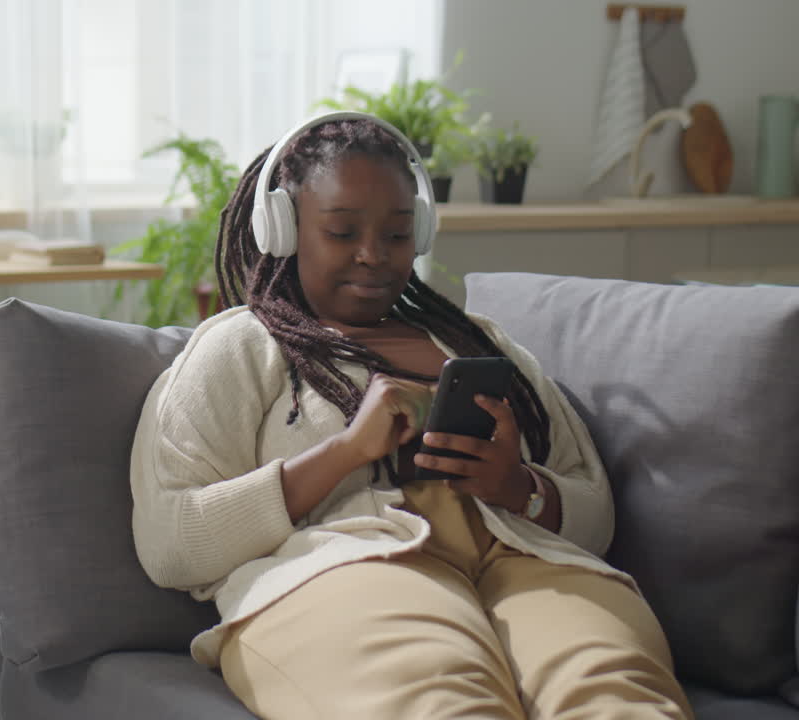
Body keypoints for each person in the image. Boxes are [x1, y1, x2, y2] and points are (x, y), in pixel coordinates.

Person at [128, 111, 692, 719]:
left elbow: (595, 510)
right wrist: (345, 452)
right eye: (342, 233)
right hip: (349, 567)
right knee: (442, 706)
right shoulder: (242, 345)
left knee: (621, 703)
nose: (373, 256)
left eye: (397, 235)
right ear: (285, 231)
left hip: (527, 561)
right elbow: (172, 543)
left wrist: (519, 489)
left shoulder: (479, 343)